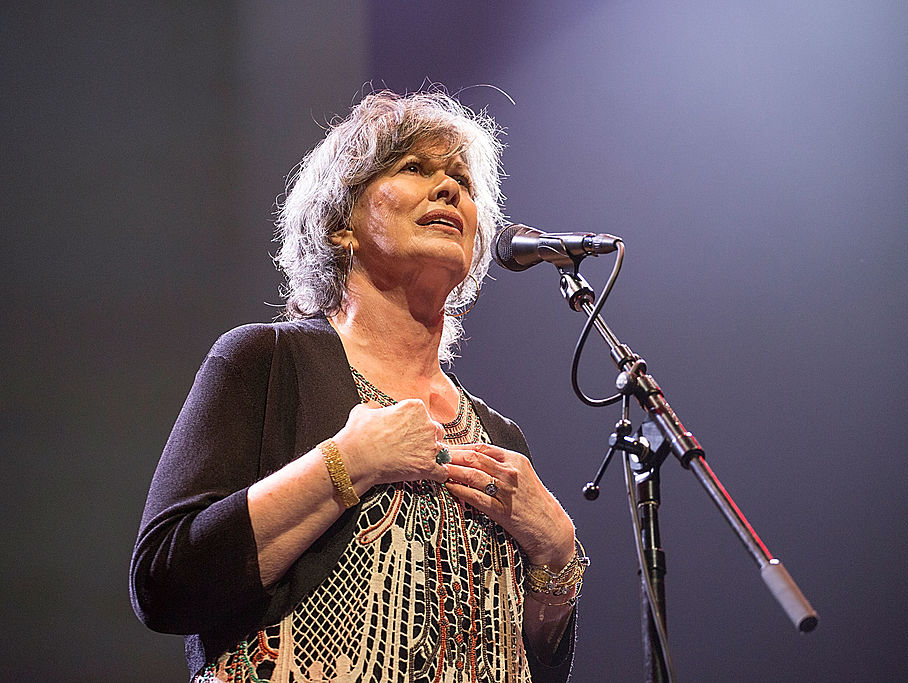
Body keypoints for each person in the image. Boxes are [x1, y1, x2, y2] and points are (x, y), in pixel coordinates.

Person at [130, 90, 584, 683]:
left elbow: (535, 667)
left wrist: (556, 555)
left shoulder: (501, 438)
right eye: (414, 169)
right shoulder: (267, 362)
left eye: (462, 182)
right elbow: (164, 582)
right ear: (341, 225)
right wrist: (346, 463)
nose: (449, 189)